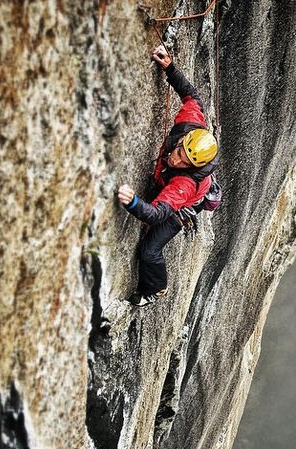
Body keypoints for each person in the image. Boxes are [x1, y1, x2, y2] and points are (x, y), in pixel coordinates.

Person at [118, 45, 219, 307]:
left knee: (149, 251)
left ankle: (157, 289)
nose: (177, 159)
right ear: (185, 139)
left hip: (181, 208)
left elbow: (157, 214)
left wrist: (133, 203)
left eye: (185, 162)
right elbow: (191, 96)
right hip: (172, 184)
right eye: (180, 152)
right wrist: (170, 67)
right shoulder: (190, 124)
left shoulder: (184, 184)